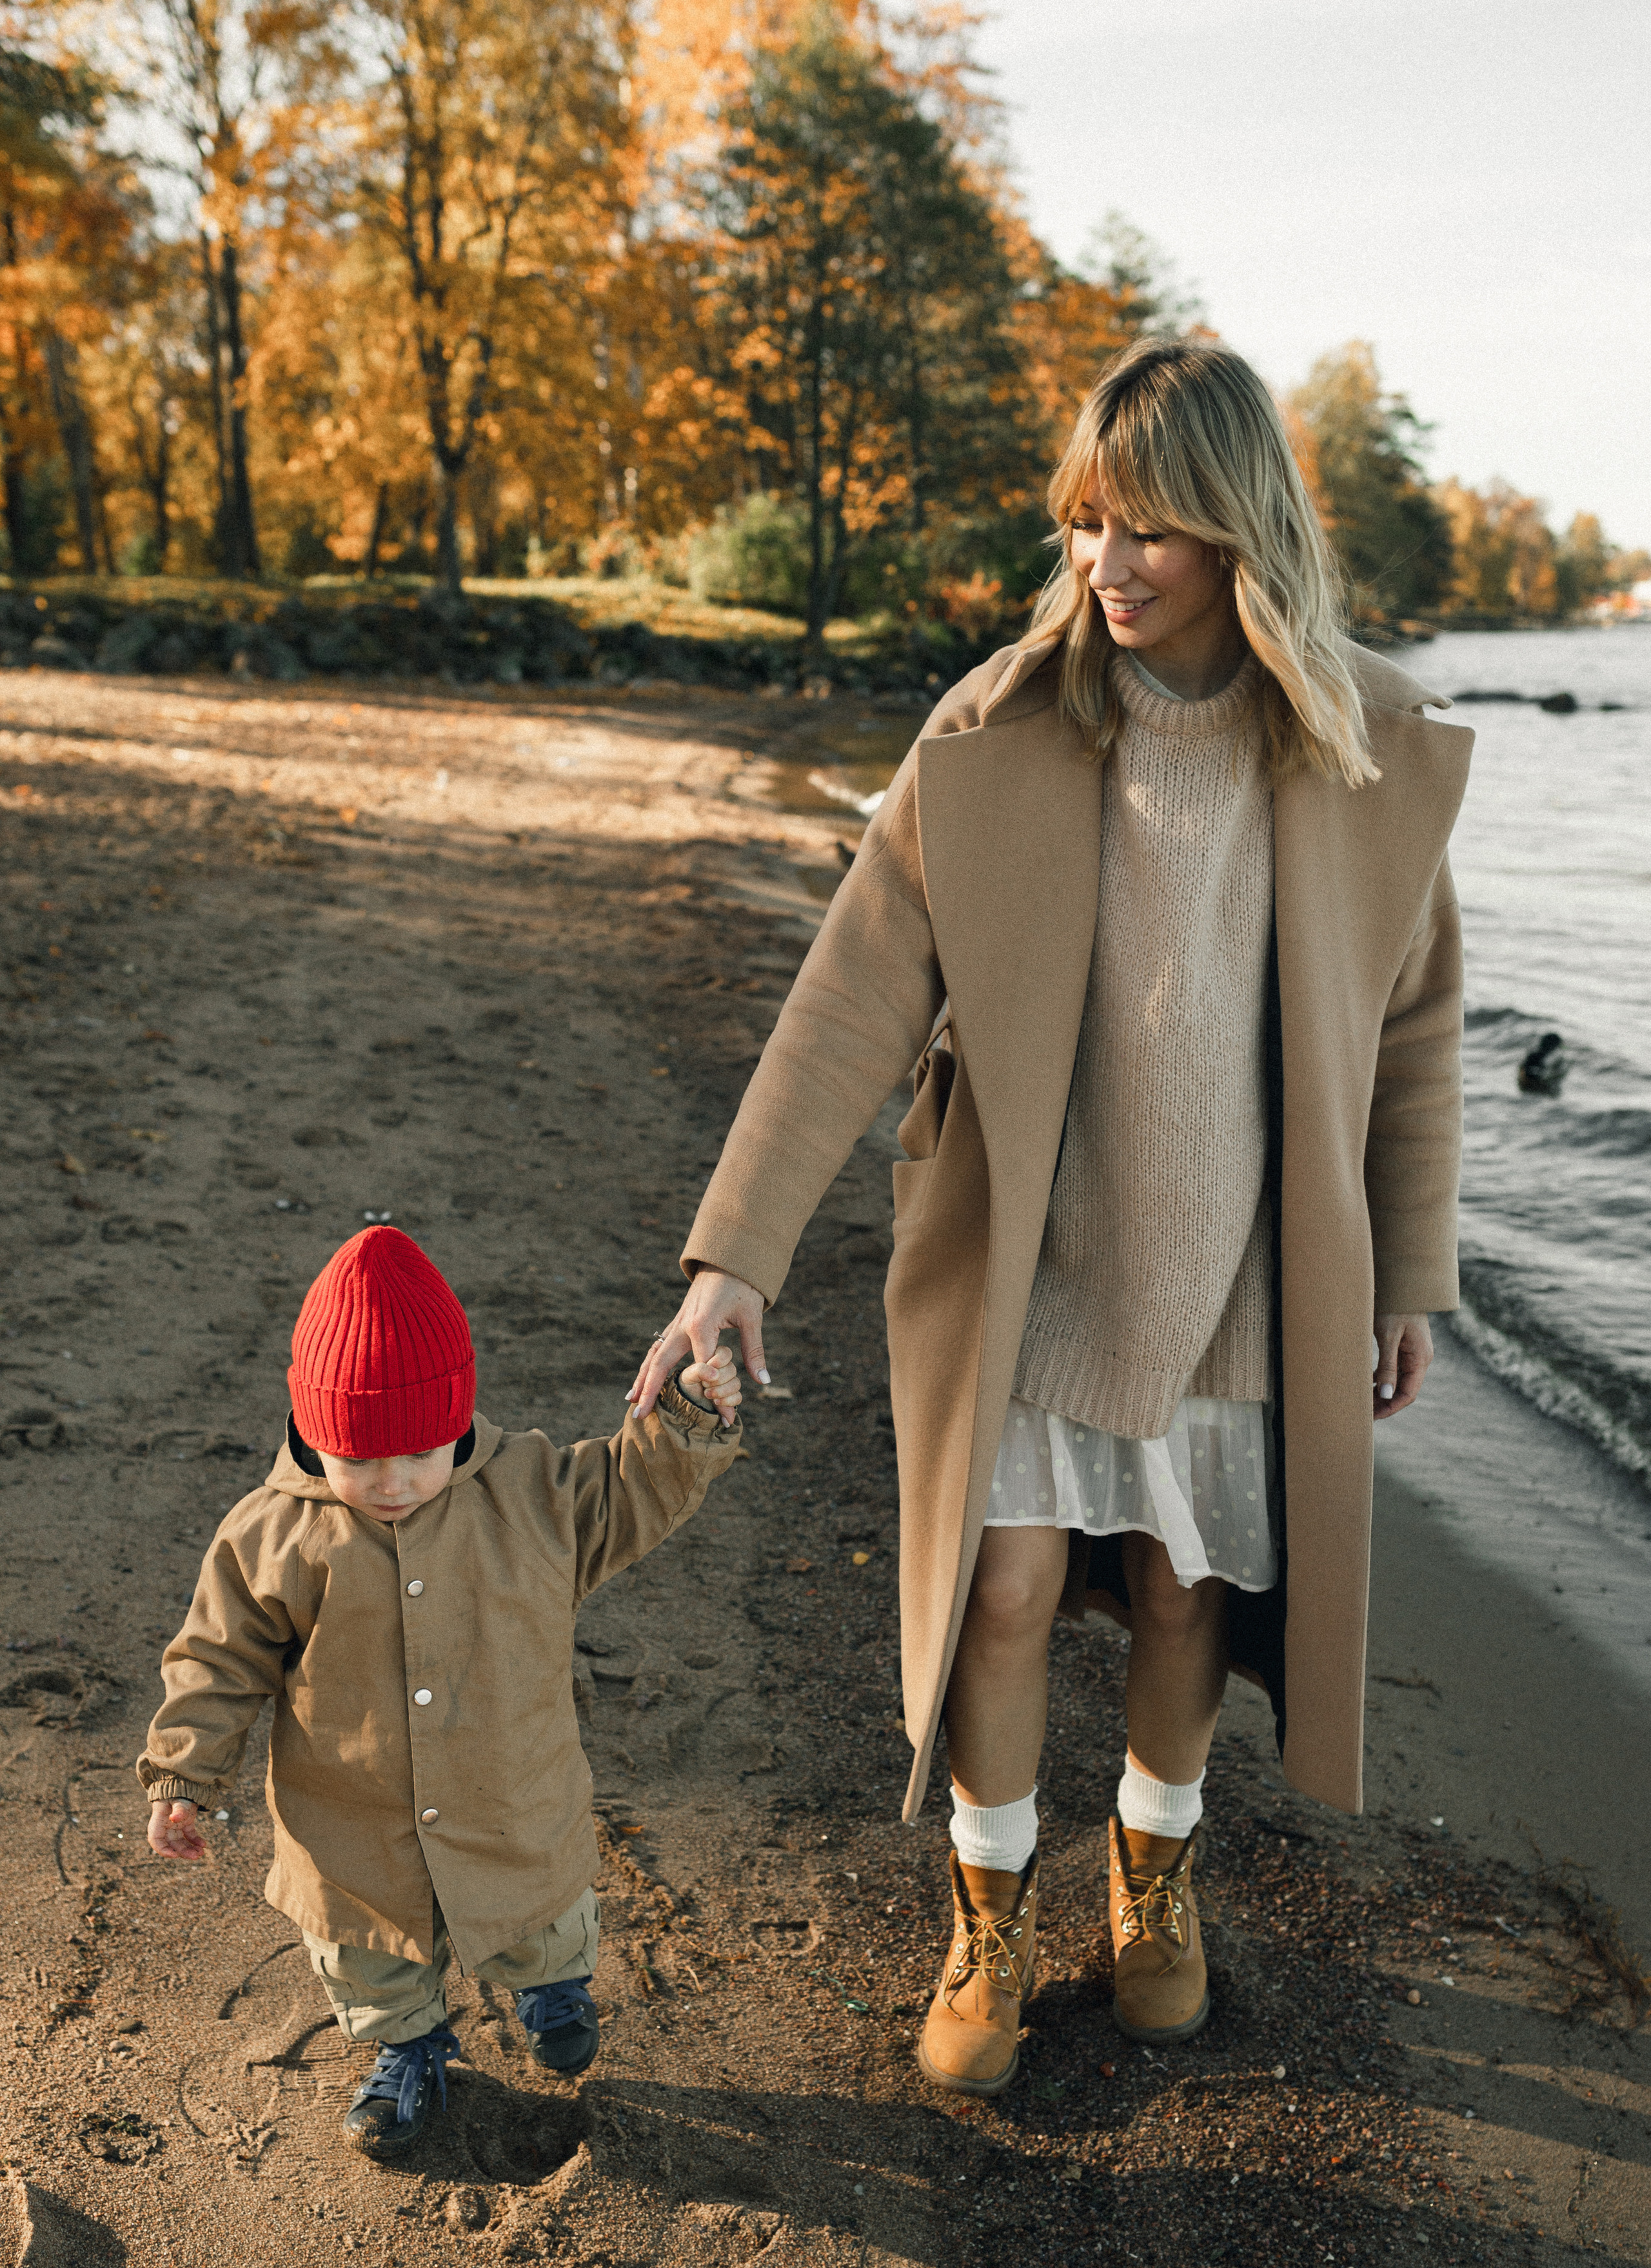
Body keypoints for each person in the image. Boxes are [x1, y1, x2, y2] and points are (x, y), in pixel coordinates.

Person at [629, 337, 1472, 2096]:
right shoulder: (1002, 728)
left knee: (1183, 1593)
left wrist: (1408, 1269)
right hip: (1037, 1259)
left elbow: (1413, 1025)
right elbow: (853, 996)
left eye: (1154, 526)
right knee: (1000, 1600)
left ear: (1247, 530)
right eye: (1091, 522)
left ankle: (1152, 1889)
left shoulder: (1360, 749)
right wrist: (733, 1256)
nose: (1112, 564)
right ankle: (989, 1919)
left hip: (1248, 1266)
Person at [141, 1225, 742, 2156]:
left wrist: (688, 1423)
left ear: (459, 1422)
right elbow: (217, 1660)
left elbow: (627, 1491)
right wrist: (184, 1776)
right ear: (312, 1434)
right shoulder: (269, 1535)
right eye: (361, 1461)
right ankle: (408, 2053)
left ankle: (550, 1990)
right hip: (352, 1822)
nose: (391, 1483)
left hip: (510, 1791)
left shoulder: (531, 1493)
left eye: (419, 1455)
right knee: (371, 1958)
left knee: (538, 1913)